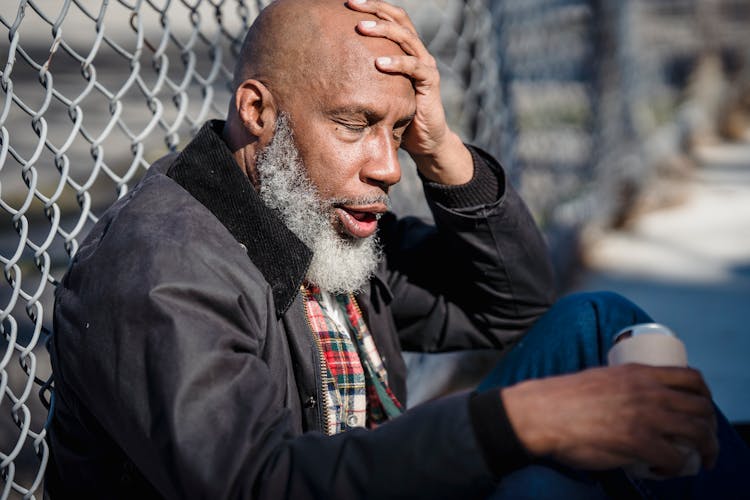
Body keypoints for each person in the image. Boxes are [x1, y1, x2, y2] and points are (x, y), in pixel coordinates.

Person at [46, 0, 749, 498]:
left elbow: (511, 307)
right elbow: (255, 484)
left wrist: (442, 149)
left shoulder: (311, 209)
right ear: (257, 112)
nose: (388, 166)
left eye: (399, 129)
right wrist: (526, 422)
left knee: (591, 322)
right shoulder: (159, 271)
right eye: (354, 124)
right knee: (545, 483)